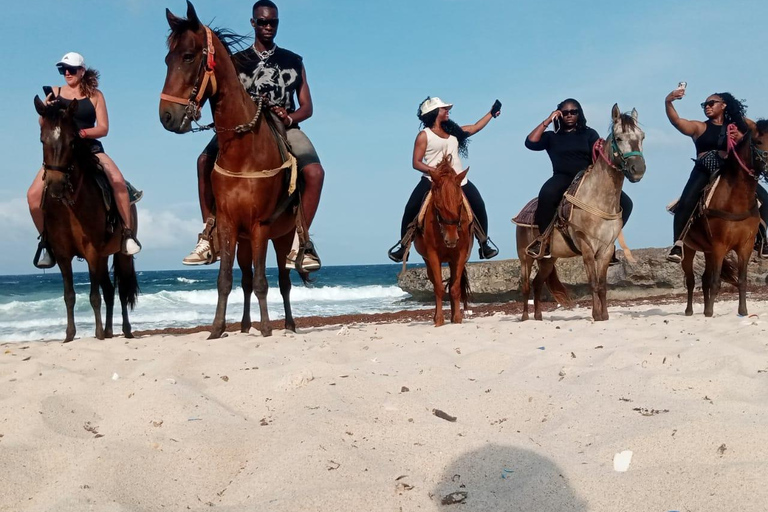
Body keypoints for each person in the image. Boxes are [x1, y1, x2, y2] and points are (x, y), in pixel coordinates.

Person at [184, 0, 325, 271]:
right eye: (262, 22)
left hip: (283, 127)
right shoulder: (237, 62)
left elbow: (307, 106)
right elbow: (220, 95)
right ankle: (208, 235)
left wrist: (290, 117)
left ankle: (302, 241)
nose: (268, 26)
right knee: (203, 162)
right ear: (253, 23)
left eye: (273, 22)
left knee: (315, 173)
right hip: (243, 129)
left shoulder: (293, 60)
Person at [27, 52, 141, 268]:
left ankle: (127, 234)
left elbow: (104, 128)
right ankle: (46, 243)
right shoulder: (53, 93)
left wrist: (82, 134)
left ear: (82, 71)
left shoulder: (95, 95)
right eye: (63, 70)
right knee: (32, 195)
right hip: (62, 154)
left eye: (70, 69)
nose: (67, 73)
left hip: (90, 149)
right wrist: (44, 112)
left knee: (118, 181)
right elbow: (45, 126)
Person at [388, 96, 501, 263]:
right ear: (434, 113)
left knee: (479, 204)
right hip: (432, 181)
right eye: (444, 109)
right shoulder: (424, 136)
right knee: (411, 207)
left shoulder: (453, 132)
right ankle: (404, 245)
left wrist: (491, 113)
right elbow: (416, 163)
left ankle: (483, 243)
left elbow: (475, 127)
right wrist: (435, 172)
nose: (448, 111)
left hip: (458, 181)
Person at [664, 90, 768, 261]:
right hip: (705, 169)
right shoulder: (700, 127)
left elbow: (759, 134)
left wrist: (741, 136)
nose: (707, 107)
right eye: (704, 105)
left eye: (711, 103)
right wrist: (668, 103)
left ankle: (762, 240)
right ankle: (678, 244)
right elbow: (677, 122)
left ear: (723, 105)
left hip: (731, 170)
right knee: (687, 200)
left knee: (764, 198)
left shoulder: (738, 124)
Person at [524, 98, 633, 261]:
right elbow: (530, 142)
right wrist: (548, 120)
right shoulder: (551, 137)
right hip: (562, 176)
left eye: (573, 112)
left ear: (579, 113)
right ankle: (543, 241)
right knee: (546, 194)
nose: (569, 115)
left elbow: (599, 157)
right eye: (565, 112)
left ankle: (608, 242)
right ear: (559, 114)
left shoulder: (589, 133)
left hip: (586, 177)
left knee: (627, 203)